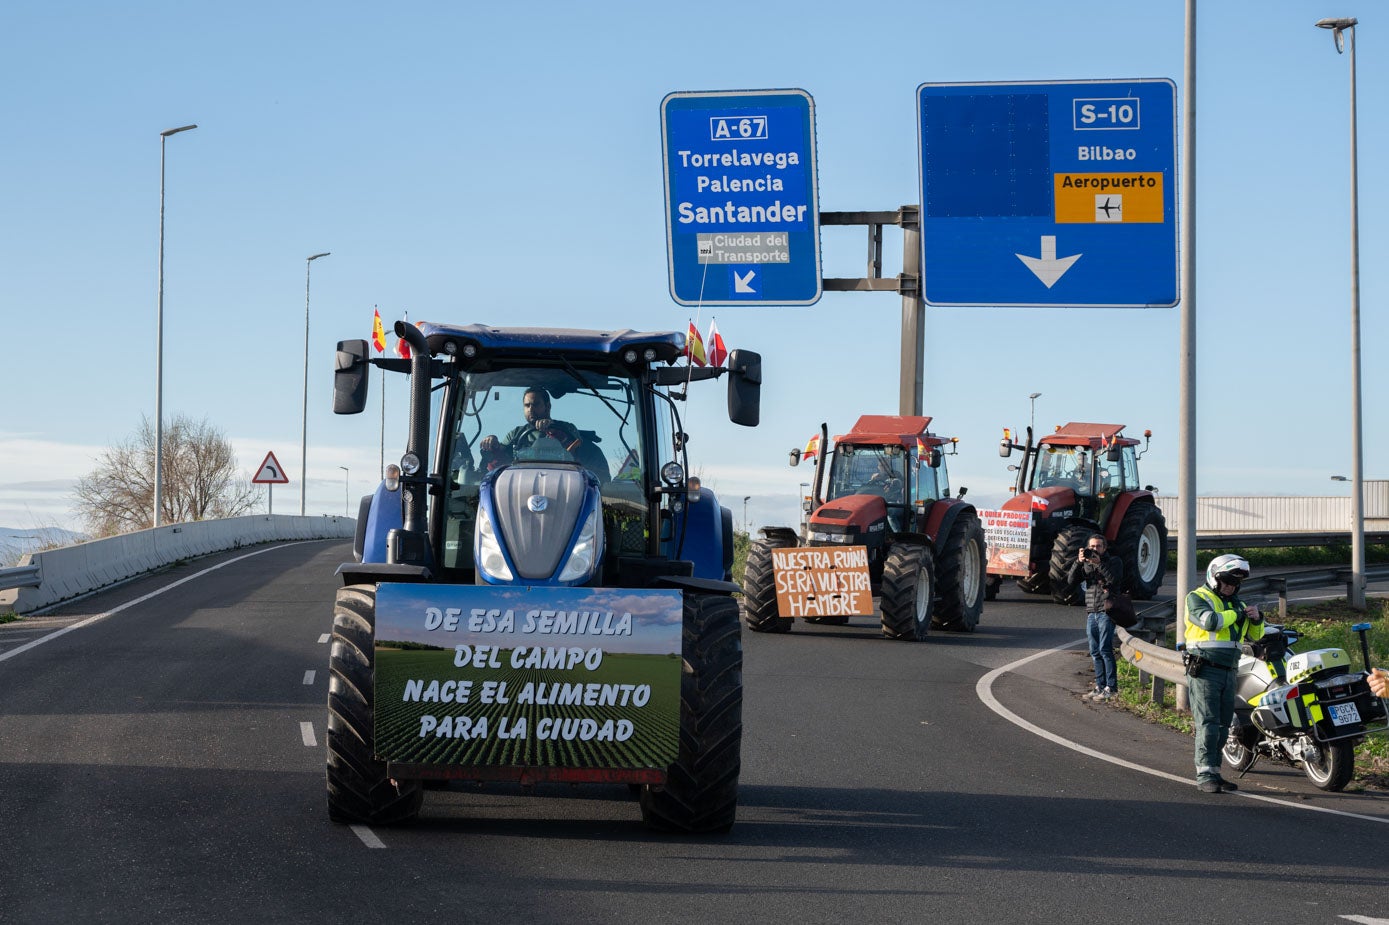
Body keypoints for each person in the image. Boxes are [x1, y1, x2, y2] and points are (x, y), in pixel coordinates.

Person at [1184, 554, 1264, 794]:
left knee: (1222, 726)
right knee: (1208, 723)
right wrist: (1239, 614)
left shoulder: (1238, 604)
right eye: (1227, 581)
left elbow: (1256, 636)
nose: (1231, 587)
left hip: (1230, 671)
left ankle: (1215, 772)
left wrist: (1258, 618)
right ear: (1215, 578)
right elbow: (1210, 622)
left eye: (1235, 583)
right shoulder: (1197, 597)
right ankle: (1204, 774)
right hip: (1205, 669)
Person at [1066, 534, 1123, 702]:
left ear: (1104, 548)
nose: (1094, 549)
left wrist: (1099, 564)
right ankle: (1099, 685)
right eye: (1092, 546)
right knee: (1094, 651)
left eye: (1098, 546)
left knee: (1105, 650)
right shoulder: (1086, 565)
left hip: (1107, 611)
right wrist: (1078, 562)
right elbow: (1070, 581)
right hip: (1091, 611)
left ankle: (1111, 688)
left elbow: (1114, 580)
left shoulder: (1114, 562)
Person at [479, 387, 580, 466]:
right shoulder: (516, 434)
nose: (530, 409)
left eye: (535, 404)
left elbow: (580, 451)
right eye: (527, 405)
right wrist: (493, 444)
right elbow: (502, 458)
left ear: (548, 406)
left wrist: (554, 431)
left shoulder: (567, 428)